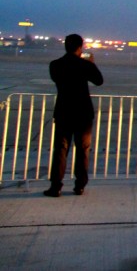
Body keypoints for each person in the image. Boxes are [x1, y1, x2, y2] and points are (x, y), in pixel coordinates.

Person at [44, 33, 103, 197]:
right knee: (83, 150)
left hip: (63, 112)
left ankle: (56, 186)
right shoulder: (84, 65)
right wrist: (90, 64)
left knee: (60, 150)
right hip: (83, 113)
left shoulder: (55, 65)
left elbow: (57, 79)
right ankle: (80, 185)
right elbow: (99, 81)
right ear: (80, 47)